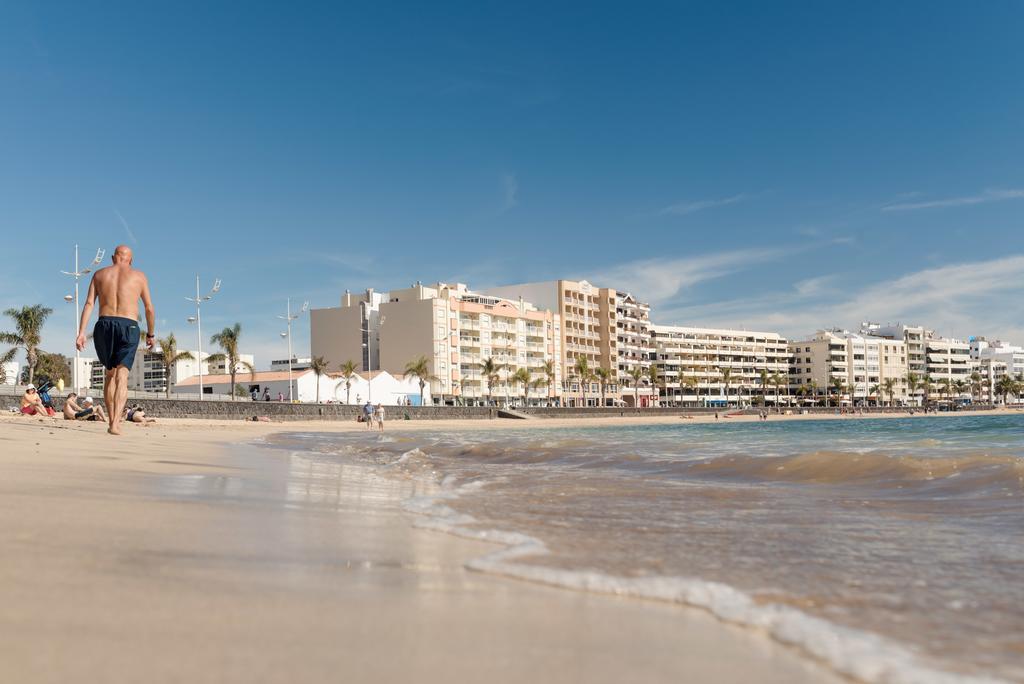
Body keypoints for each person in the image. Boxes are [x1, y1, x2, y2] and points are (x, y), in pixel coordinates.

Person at [76, 245, 155, 436]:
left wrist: (81, 332)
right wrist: (151, 334)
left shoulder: (99, 274)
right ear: (131, 260)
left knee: (110, 374)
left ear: (113, 258)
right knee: (122, 376)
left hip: (104, 325)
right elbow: (149, 309)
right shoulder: (139, 276)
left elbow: (88, 304)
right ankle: (115, 425)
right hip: (129, 326)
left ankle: (111, 418)